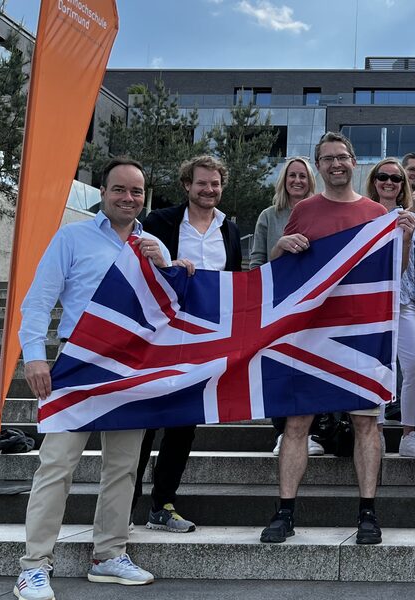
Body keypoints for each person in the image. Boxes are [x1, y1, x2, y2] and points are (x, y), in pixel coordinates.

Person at [13, 157, 176, 599]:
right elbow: (37, 301)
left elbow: (174, 308)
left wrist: (169, 267)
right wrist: (35, 358)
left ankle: (109, 555)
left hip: (132, 368)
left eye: (137, 192)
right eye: (120, 189)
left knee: (123, 468)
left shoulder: (152, 245)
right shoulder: (72, 237)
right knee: (57, 465)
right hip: (77, 363)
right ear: (102, 192)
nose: (129, 198)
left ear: (146, 197)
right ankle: (34, 565)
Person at [259, 132, 415, 547]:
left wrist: (401, 238)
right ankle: (285, 511)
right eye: (327, 158)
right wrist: (280, 246)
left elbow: (393, 275)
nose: (336, 164)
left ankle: (367, 512)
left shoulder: (375, 212)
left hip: (361, 333)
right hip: (310, 334)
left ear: (353, 161)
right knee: (297, 423)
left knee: (367, 422)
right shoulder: (305, 209)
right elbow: (278, 271)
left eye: (342, 157)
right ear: (319, 164)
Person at [132, 155, 243, 534]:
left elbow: (235, 284)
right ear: (186, 185)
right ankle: (124, 504)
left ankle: (162, 504)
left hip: (203, 340)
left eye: (215, 184)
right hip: (160, 336)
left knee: (183, 426)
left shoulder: (230, 228)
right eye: (202, 184)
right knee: (144, 424)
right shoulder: (158, 223)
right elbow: (135, 270)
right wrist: (166, 264)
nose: (209, 190)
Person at [250, 157, 326, 459]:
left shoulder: (322, 213)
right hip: (278, 304)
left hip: (315, 305)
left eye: (303, 176)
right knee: (280, 370)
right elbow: (256, 262)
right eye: (292, 175)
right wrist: (279, 249)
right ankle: (282, 432)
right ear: (284, 180)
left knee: (312, 369)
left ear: (311, 181)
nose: (298, 181)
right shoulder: (269, 216)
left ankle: (310, 432)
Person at [364, 157, 415, 459]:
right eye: (384, 177)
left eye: (396, 178)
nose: (389, 182)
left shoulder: (414, 221)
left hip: (404, 303)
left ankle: (410, 433)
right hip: (370, 304)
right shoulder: (362, 215)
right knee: (376, 368)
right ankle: (374, 431)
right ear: (374, 180)